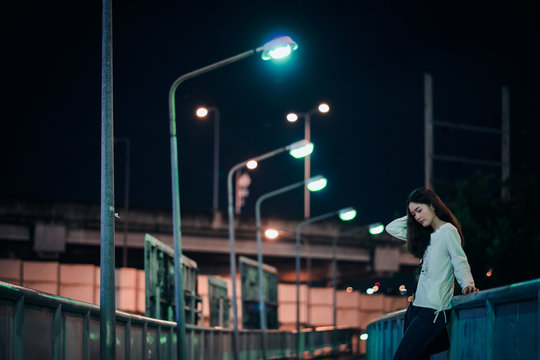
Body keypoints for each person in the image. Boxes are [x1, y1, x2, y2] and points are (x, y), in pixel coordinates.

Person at [386, 187, 478, 360]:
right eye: (414, 214)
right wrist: (414, 215)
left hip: (434, 311)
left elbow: (459, 260)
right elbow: (391, 228)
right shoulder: (426, 234)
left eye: (420, 211)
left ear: (432, 205)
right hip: (416, 308)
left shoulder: (448, 231)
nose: (417, 217)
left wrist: (467, 284)